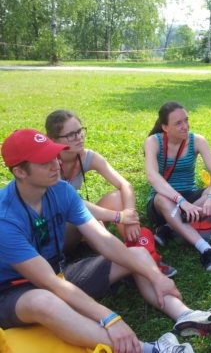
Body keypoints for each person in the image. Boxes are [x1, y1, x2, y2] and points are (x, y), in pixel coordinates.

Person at [0, 129, 211, 353]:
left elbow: (104, 240)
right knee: (44, 301)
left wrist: (157, 277)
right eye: (44, 162)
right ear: (20, 171)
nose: (56, 164)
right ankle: (151, 349)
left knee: (138, 254)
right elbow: (50, 284)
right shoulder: (5, 218)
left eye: (54, 157)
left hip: (59, 275)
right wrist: (109, 317)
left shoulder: (60, 190)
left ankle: (187, 315)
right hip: (14, 293)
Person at [45, 110, 176, 278]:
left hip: (80, 223)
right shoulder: (48, 165)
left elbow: (125, 185)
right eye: (70, 135)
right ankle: (131, 263)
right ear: (54, 140)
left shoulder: (87, 157)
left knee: (116, 197)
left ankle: (143, 252)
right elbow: (75, 205)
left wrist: (130, 215)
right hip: (58, 233)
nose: (79, 137)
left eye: (79, 131)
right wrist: (118, 216)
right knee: (85, 215)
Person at [144, 102, 211, 271]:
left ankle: (169, 227)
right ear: (165, 127)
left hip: (189, 198)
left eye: (186, 120)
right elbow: (153, 177)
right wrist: (181, 202)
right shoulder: (153, 142)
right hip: (163, 201)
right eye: (178, 123)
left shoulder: (197, 140)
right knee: (162, 199)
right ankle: (206, 249)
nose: (185, 126)